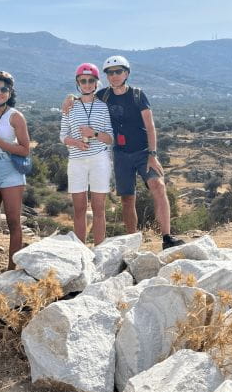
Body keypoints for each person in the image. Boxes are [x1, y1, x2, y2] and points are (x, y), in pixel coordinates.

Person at [63, 56, 184, 249]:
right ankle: (132, 242)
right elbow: (84, 96)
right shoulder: (103, 95)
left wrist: (153, 154)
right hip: (120, 154)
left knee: (158, 186)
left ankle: (167, 237)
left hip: (143, 151)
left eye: (119, 71)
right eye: (110, 73)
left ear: (126, 73)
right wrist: (70, 98)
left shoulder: (137, 95)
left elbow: (150, 126)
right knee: (127, 199)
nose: (115, 75)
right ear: (106, 76)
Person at [0, 71, 30, 290]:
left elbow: (25, 148)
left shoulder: (15, 116)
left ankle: (10, 274)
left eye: (3, 89)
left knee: (13, 221)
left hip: (9, 168)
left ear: (10, 93)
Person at [60, 63, 114, 245]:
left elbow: (110, 138)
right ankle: (80, 251)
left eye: (91, 80)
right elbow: (62, 135)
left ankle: (99, 251)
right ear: (78, 82)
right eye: (83, 80)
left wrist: (94, 134)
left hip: (100, 159)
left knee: (99, 209)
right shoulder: (70, 106)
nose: (87, 84)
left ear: (96, 82)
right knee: (79, 209)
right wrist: (75, 142)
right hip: (76, 160)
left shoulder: (103, 107)